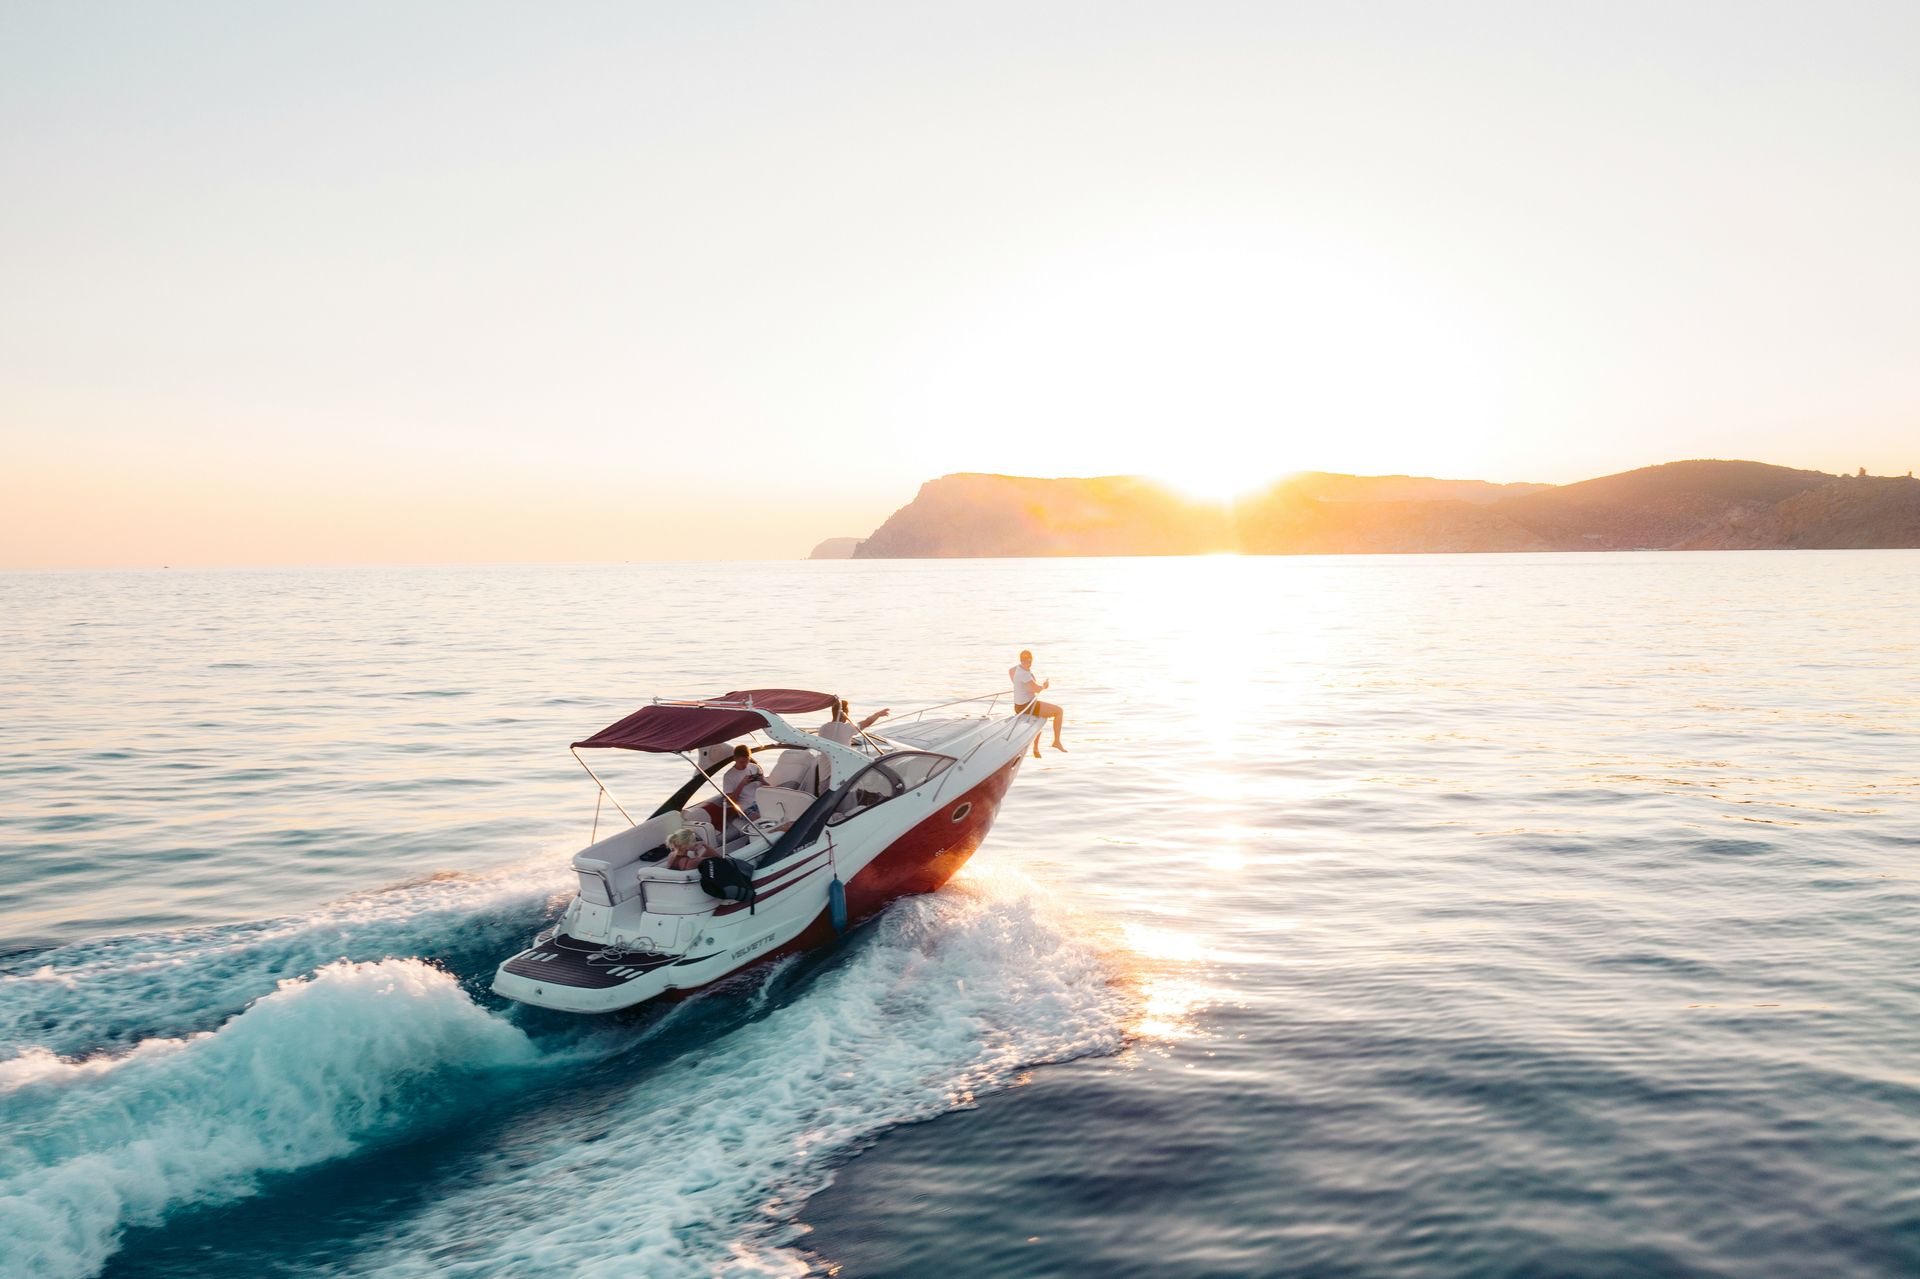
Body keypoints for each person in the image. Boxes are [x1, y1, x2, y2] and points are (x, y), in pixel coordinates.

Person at [1010, 649, 1066, 758]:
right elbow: (1037, 689)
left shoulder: (1017, 669)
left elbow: (1010, 671)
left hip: (1019, 706)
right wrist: (1045, 685)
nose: (1028, 662)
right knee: (1059, 711)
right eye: (1025, 660)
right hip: (1027, 706)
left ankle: (1035, 748)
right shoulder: (1024, 674)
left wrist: (1018, 686)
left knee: (1039, 719)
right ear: (1021, 660)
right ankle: (1057, 741)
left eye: (1029, 660)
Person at [721, 743, 765, 826]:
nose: (744, 765)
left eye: (747, 761)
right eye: (741, 762)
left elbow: (768, 788)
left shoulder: (755, 767)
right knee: (760, 820)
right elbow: (731, 801)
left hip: (761, 802)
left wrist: (762, 780)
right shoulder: (728, 776)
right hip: (746, 807)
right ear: (735, 759)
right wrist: (742, 784)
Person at [819, 698, 889, 746]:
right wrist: (877, 714)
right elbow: (867, 722)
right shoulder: (847, 728)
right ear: (845, 713)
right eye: (848, 712)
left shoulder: (823, 728)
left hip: (823, 766)